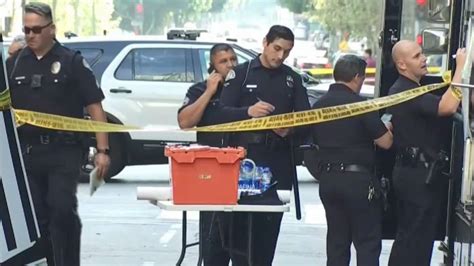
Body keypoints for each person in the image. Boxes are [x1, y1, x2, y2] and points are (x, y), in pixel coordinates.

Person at [4, 2, 110, 265]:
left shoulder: (71, 62)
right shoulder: (16, 63)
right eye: (26, 30)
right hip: (27, 152)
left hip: (64, 151)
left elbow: (95, 106)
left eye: (36, 30)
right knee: (36, 216)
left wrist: (103, 151)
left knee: (61, 210)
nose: (30, 35)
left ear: (51, 29)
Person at [219, 25, 310, 265]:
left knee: (268, 230)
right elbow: (220, 114)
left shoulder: (293, 79)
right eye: (277, 48)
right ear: (265, 43)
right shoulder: (241, 74)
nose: (280, 56)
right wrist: (247, 112)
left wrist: (291, 128)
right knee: (240, 228)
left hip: (277, 161)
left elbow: (308, 120)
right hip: (245, 161)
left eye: (286, 52)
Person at [177, 43, 271, 265]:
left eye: (233, 60)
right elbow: (185, 122)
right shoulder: (199, 90)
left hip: (245, 175)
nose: (230, 65)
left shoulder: (247, 90)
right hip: (210, 176)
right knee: (213, 247)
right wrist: (210, 91)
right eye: (223, 61)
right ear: (212, 65)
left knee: (243, 246)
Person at [387, 40, 466, 266]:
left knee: (417, 238)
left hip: (420, 173)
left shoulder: (412, 88)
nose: (424, 59)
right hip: (416, 176)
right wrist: (461, 66)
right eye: (416, 56)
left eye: (422, 54)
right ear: (402, 65)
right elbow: (447, 107)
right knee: (413, 239)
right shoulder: (403, 91)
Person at [311, 55, 393, 266]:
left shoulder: (318, 105)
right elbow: (385, 143)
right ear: (358, 77)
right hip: (358, 182)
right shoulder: (360, 105)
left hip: (328, 181)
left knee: (337, 242)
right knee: (367, 243)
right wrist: (388, 128)